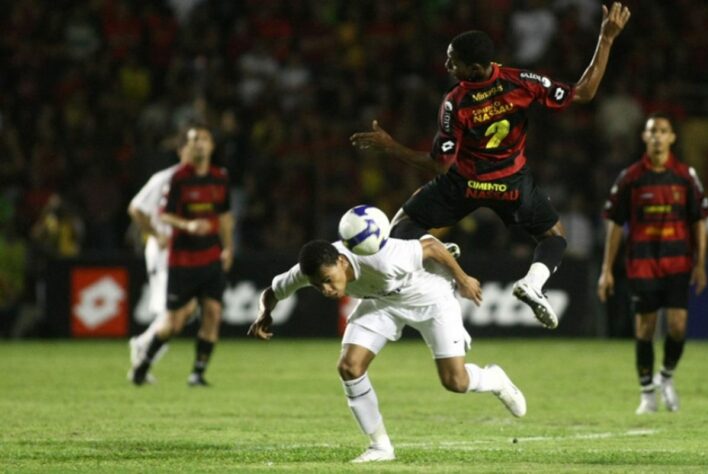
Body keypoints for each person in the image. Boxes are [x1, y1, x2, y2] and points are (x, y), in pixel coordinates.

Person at [350, 3, 631, 330]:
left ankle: (436, 257)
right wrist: (606, 38)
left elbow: (440, 165)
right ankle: (533, 283)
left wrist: (390, 146)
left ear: (474, 69)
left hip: (462, 184)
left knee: (402, 226)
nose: (447, 64)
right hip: (512, 184)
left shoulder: (455, 101)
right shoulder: (521, 81)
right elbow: (584, 92)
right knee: (554, 237)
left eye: (453, 61)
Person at [248, 234, 526, 463]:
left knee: (455, 381)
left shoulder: (379, 255)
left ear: (342, 261)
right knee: (349, 366)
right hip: (382, 304)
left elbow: (430, 245)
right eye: (318, 285)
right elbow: (271, 292)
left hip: (430, 299)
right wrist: (264, 314)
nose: (326, 289)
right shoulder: (308, 270)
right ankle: (380, 447)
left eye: (328, 279)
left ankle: (495, 379)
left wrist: (463, 279)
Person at [597, 112, 708, 414]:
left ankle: (666, 377)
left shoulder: (686, 176)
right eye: (652, 131)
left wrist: (700, 264)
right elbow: (615, 223)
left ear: (672, 137)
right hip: (643, 263)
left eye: (663, 130)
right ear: (645, 137)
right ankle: (647, 393)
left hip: (677, 263)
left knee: (677, 326)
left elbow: (699, 220)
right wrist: (607, 270)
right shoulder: (631, 177)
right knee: (645, 329)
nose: (658, 135)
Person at [130, 124, 234, 387]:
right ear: (184, 148)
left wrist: (228, 247)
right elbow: (153, 211)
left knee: (213, 312)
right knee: (174, 321)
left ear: (211, 146)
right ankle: (143, 358)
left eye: (203, 139)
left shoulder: (220, 178)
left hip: (210, 257)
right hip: (180, 258)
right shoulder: (175, 178)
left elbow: (224, 216)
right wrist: (178, 228)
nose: (198, 144)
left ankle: (197, 374)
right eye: (193, 140)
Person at [126, 137, 198, 383]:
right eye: (191, 146)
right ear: (180, 151)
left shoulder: (200, 181)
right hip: (164, 253)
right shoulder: (164, 179)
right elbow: (136, 208)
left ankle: (144, 345)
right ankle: (143, 351)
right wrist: (155, 234)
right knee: (176, 311)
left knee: (186, 309)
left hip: (186, 253)